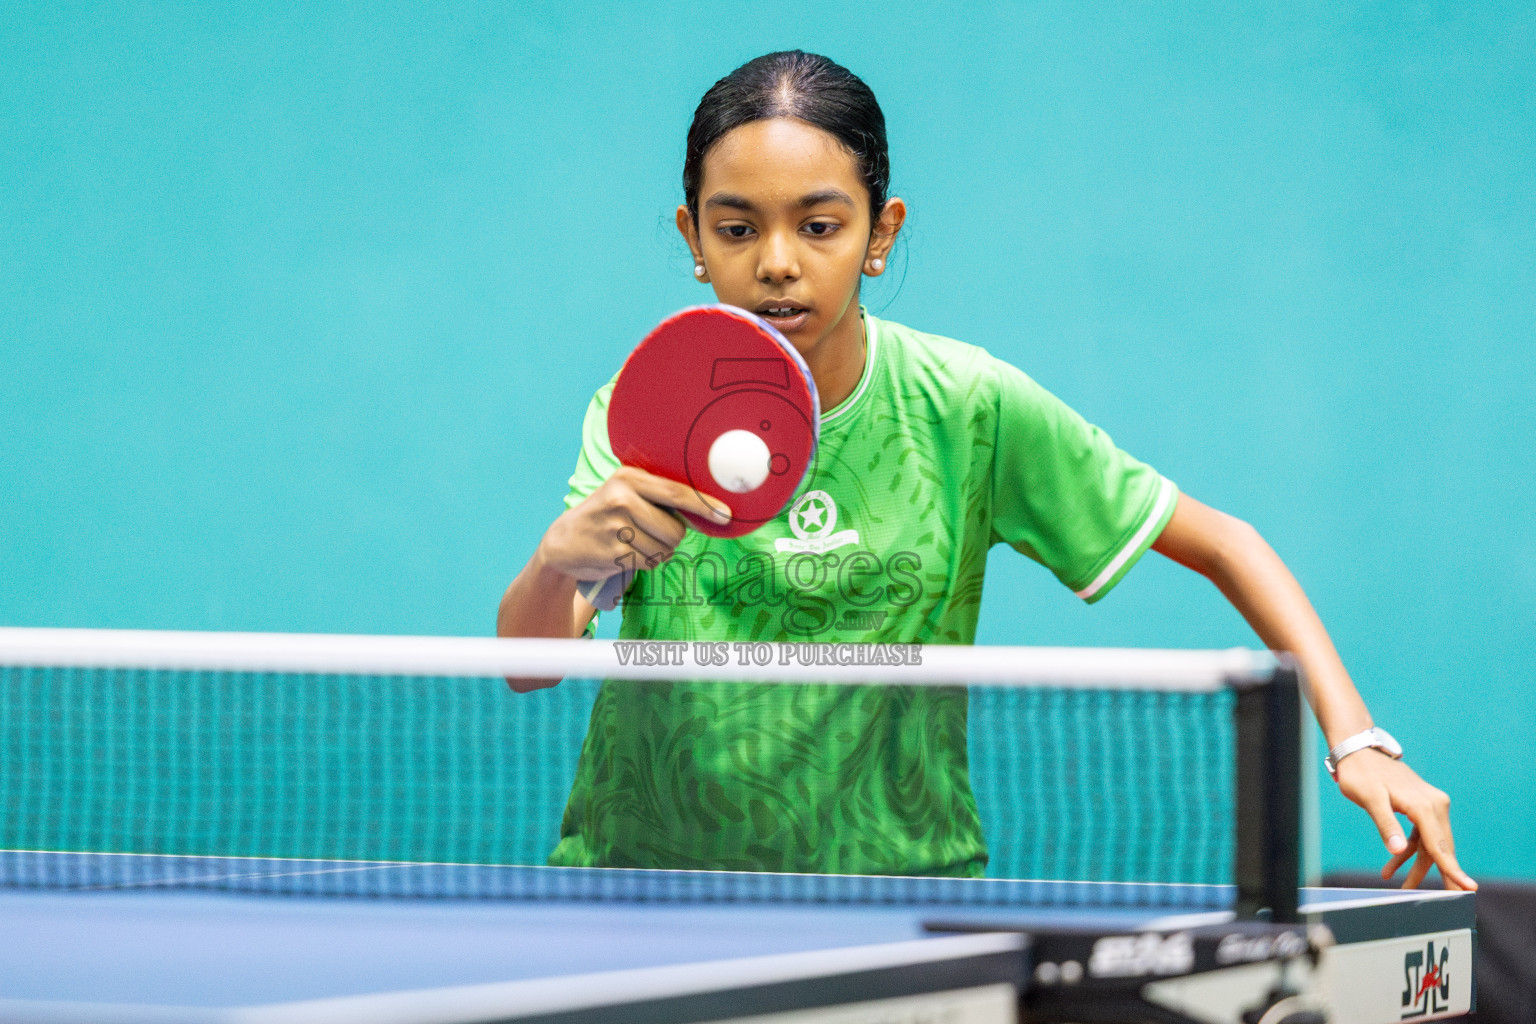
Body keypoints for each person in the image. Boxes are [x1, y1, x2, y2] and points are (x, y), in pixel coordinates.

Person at [497, 50, 1473, 890]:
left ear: (881, 234)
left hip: (894, 897)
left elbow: (1226, 544)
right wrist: (555, 563)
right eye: (738, 227)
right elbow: (527, 664)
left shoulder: (965, 406)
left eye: (821, 224)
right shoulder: (650, 406)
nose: (779, 262)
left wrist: (1357, 741)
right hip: (648, 887)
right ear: (693, 241)